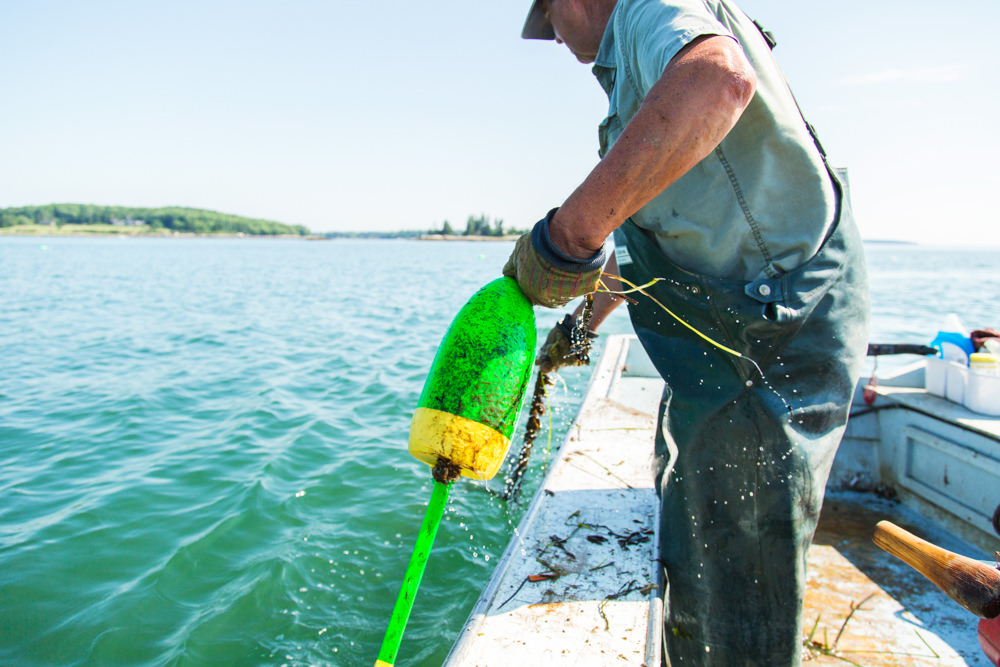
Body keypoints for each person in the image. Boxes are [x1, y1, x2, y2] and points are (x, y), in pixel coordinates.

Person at [503, 0, 871, 665]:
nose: (552, 37)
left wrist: (568, 233)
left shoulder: (646, 9)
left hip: (770, 339)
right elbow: (656, 238)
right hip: (725, 338)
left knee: (738, 567)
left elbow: (717, 80)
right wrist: (582, 323)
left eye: (549, 17)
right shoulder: (640, 63)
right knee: (694, 524)